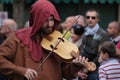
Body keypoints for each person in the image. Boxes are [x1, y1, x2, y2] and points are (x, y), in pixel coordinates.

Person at [0, 0, 88, 80]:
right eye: (45, 20)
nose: (50, 24)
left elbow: (67, 74)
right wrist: (20, 71)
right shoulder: (17, 37)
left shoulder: (58, 39)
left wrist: (75, 66)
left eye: (52, 20)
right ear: (36, 19)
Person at [79, 9, 109, 80]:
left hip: (95, 70)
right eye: (88, 17)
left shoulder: (103, 34)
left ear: (97, 19)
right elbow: (81, 50)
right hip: (82, 68)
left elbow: (100, 54)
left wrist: (88, 68)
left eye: (93, 17)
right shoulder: (84, 32)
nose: (90, 19)